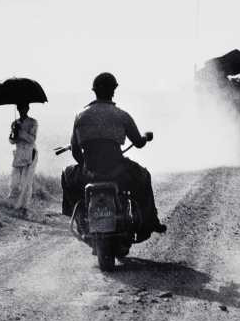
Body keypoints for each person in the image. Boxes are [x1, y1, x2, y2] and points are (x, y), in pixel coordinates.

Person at [61, 72, 166, 239]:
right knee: (144, 177)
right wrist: (146, 137)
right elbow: (138, 142)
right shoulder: (121, 115)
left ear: (94, 91)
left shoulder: (80, 116)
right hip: (118, 172)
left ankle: (79, 218)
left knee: (67, 175)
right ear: (113, 91)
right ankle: (149, 222)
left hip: (89, 173)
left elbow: (75, 151)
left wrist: (86, 166)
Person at [8, 102, 38, 211]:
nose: (22, 111)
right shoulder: (15, 123)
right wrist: (14, 133)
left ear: (28, 109)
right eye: (20, 108)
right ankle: (13, 205)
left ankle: (24, 208)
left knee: (26, 182)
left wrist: (20, 131)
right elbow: (11, 141)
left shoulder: (33, 122)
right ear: (18, 109)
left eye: (24, 108)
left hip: (30, 153)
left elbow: (32, 139)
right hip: (18, 154)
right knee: (14, 181)